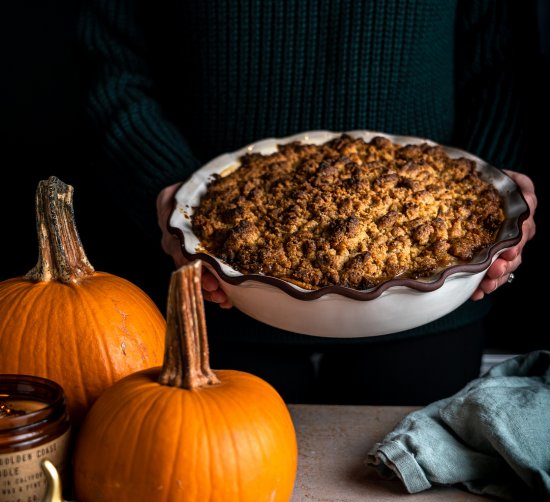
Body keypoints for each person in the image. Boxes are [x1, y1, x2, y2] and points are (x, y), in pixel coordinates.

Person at [77, 0, 537, 405]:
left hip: (434, 304)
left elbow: (501, 60)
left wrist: (494, 188)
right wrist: (168, 189)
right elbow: (109, 61)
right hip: (217, 296)